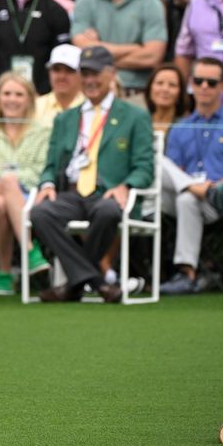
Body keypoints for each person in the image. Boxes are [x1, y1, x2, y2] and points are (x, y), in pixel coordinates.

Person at [28, 46, 154, 303]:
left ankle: (73, 286)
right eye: (84, 73)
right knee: (40, 213)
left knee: (108, 212)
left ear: (112, 74)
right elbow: (50, 164)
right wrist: (47, 183)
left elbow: (144, 167)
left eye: (95, 73)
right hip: (72, 193)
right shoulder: (65, 119)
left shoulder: (133, 116)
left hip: (108, 192)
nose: (90, 80)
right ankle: (97, 281)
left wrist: (126, 186)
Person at [157, 57, 223, 296]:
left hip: (222, 197)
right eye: (199, 81)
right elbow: (173, 171)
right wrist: (196, 187)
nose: (204, 87)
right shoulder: (181, 126)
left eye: (211, 82)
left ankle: (186, 272)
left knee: (186, 198)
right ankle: (135, 274)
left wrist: (218, 187)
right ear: (191, 84)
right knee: (157, 160)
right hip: (190, 194)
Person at [70, 0, 167, 105]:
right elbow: (81, 47)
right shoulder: (84, 4)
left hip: (136, 94)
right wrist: (135, 48)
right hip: (94, 95)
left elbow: (152, 56)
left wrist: (99, 54)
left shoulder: (151, 4)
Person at [0, 73, 52, 295]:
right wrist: (1, 180)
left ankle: (4, 273)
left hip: (30, 197)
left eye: (19, 94)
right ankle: (30, 252)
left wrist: (5, 179)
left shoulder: (43, 133)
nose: (12, 99)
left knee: (3, 202)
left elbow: (39, 171)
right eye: (7, 93)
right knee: (2, 193)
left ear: (29, 99)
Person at [33, 44, 85, 126]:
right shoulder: (35, 106)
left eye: (69, 70)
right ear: (49, 72)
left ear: (82, 74)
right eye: (56, 69)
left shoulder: (90, 106)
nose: (62, 76)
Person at [144, 63, 190, 133]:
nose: (165, 89)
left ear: (180, 93)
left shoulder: (187, 128)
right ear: (150, 88)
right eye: (159, 83)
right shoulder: (139, 123)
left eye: (172, 85)